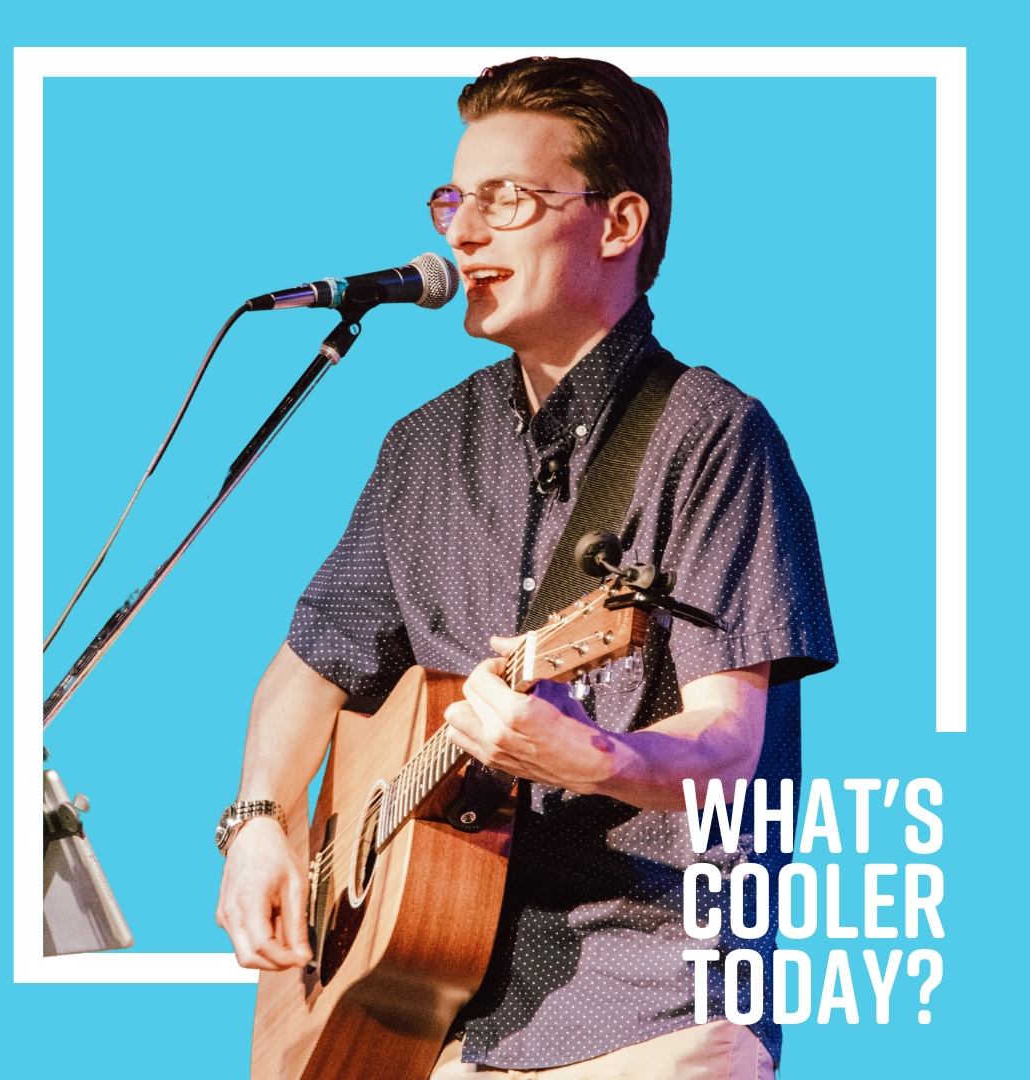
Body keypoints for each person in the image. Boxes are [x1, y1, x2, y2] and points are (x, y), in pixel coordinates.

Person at [215, 57, 837, 1080]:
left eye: (506, 199)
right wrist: (257, 827)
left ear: (619, 222)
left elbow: (731, 753)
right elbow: (309, 666)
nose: (460, 235)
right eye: (455, 198)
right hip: (443, 1027)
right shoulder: (423, 448)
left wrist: (590, 758)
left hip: (648, 1015)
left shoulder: (714, 439)